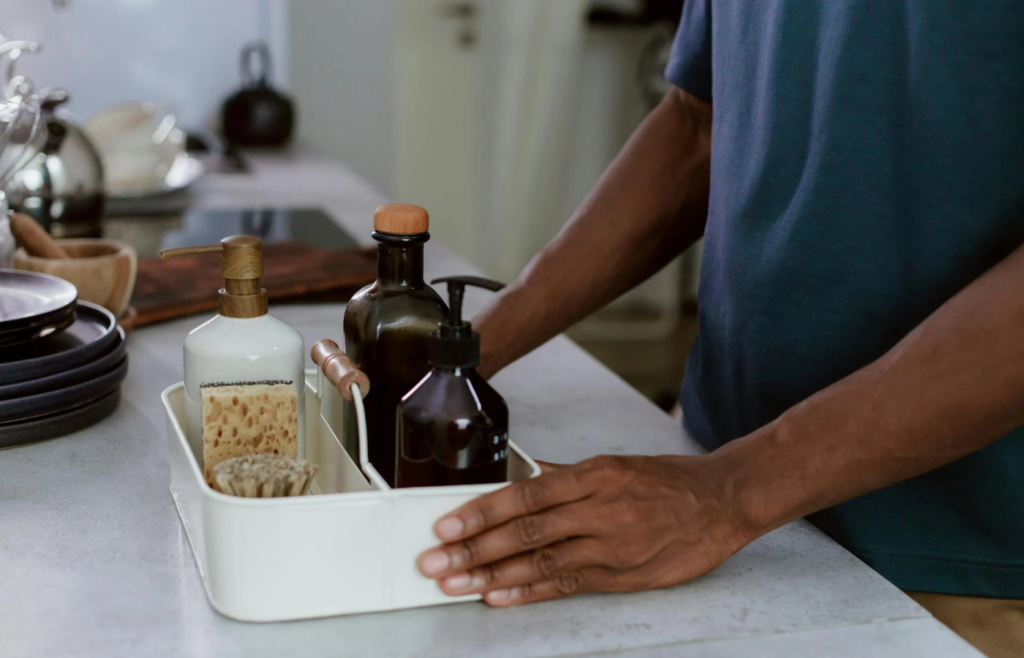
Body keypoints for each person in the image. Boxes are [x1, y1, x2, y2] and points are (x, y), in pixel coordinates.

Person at [416, 3, 1024, 656]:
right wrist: (468, 353)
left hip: (956, 563)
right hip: (700, 477)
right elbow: (696, 124)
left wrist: (734, 493)